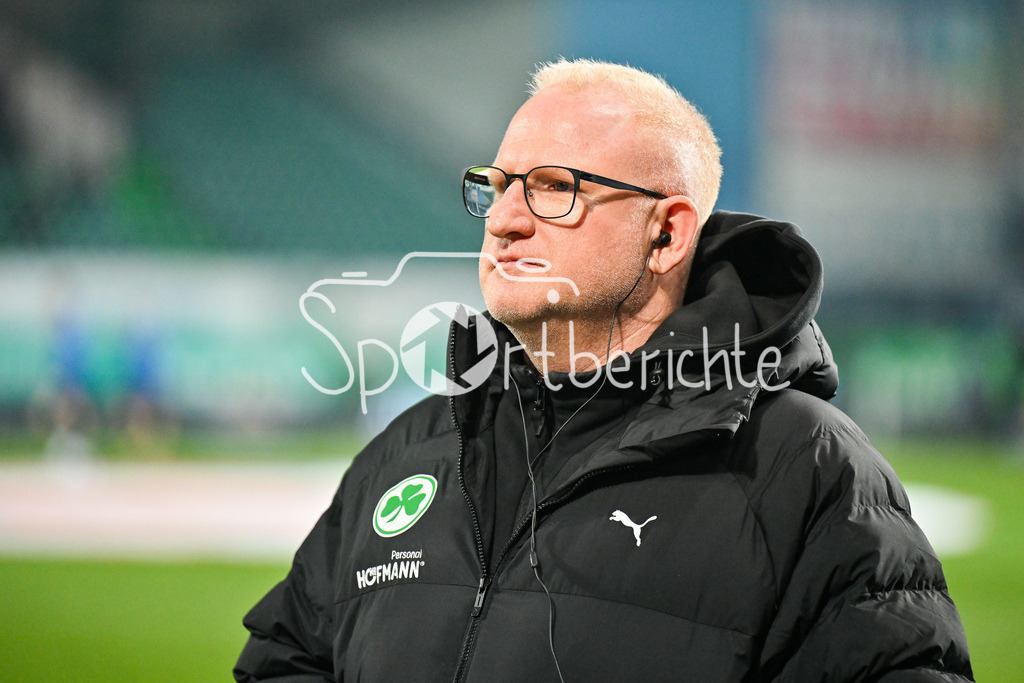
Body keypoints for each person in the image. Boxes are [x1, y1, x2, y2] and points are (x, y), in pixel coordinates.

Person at [235, 59, 973, 681]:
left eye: (554, 187)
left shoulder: (806, 470)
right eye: (495, 186)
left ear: (666, 233)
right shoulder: (409, 448)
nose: (503, 219)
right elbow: (285, 654)